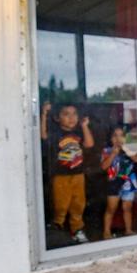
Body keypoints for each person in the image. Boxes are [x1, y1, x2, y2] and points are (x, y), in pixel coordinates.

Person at [40, 102, 95, 244]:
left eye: (74, 114)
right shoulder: (56, 133)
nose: (71, 118)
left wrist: (84, 126)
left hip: (78, 174)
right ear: (57, 118)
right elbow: (43, 135)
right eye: (66, 114)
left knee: (78, 203)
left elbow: (89, 144)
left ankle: (77, 229)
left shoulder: (79, 132)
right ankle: (57, 225)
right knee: (60, 204)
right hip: (61, 176)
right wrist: (44, 114)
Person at [101, 125, 137, 239]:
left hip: (128, 181)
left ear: (126, 138)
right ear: (110, 138)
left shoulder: (130, 148)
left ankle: (128, 230)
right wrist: (113, 154)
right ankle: (106, 231)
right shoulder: (107, 150)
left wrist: (126, 148)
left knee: (127, 207)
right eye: (115, 136)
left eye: (121, 135)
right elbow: (103, 167)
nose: (118, 138)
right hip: (113, 182)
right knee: (111, 208)